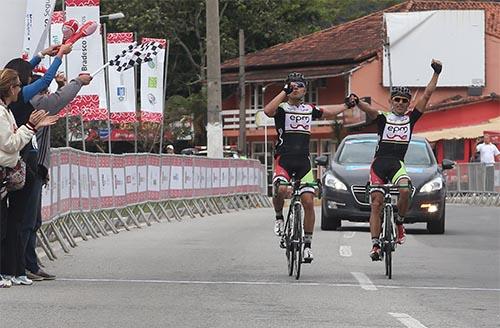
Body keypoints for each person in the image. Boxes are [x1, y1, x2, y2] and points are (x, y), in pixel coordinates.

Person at [348, 59, 442, 261]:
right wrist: (357, 102)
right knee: (376, 203)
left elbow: (427, 95)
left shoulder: (411, 119)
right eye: (397, 100)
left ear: (408, 104)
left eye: (404, 101)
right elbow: (368, 109)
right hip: (379, 165)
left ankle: (399, 222)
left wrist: (436, 73)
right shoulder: (382, 117)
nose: (400, 103)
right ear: (391, 102)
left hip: (397, 164)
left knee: (406, 190)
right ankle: (375, 244)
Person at [264, 72, 349, 262]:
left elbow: (329, 112)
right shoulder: (282, 108)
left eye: (299, 85)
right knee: (282, 189)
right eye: (292, 85)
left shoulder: (309, 109)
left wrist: (347, 105)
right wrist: (283, 91)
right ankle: (279, 217)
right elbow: (267, 111)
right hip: (283, 159)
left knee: (309, 201)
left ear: (305, 89)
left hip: (303, 162)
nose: (295, 88)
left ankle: (307, 246)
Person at [22, 72, 92, 282]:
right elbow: (61, 99)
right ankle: (20, 265)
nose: (47, 92)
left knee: (33, 220)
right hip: (29, 168)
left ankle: (30, 263)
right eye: (44, 88)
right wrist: (77, 81)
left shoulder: (35, 101)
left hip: (37, 168)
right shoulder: (36, 103)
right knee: (26, 221)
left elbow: (58, 100)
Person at [0, 69, 58, 286]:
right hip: (6, 169)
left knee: (12, 223)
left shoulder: (6, 111)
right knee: (6, 224)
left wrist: (32, 127)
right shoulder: (1, 112)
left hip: (9, 171)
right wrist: (31, 126)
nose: (20, 91)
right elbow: (10, 143)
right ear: (10, 88)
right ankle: (8, 270)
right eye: (17, 86)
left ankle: (13, 270)